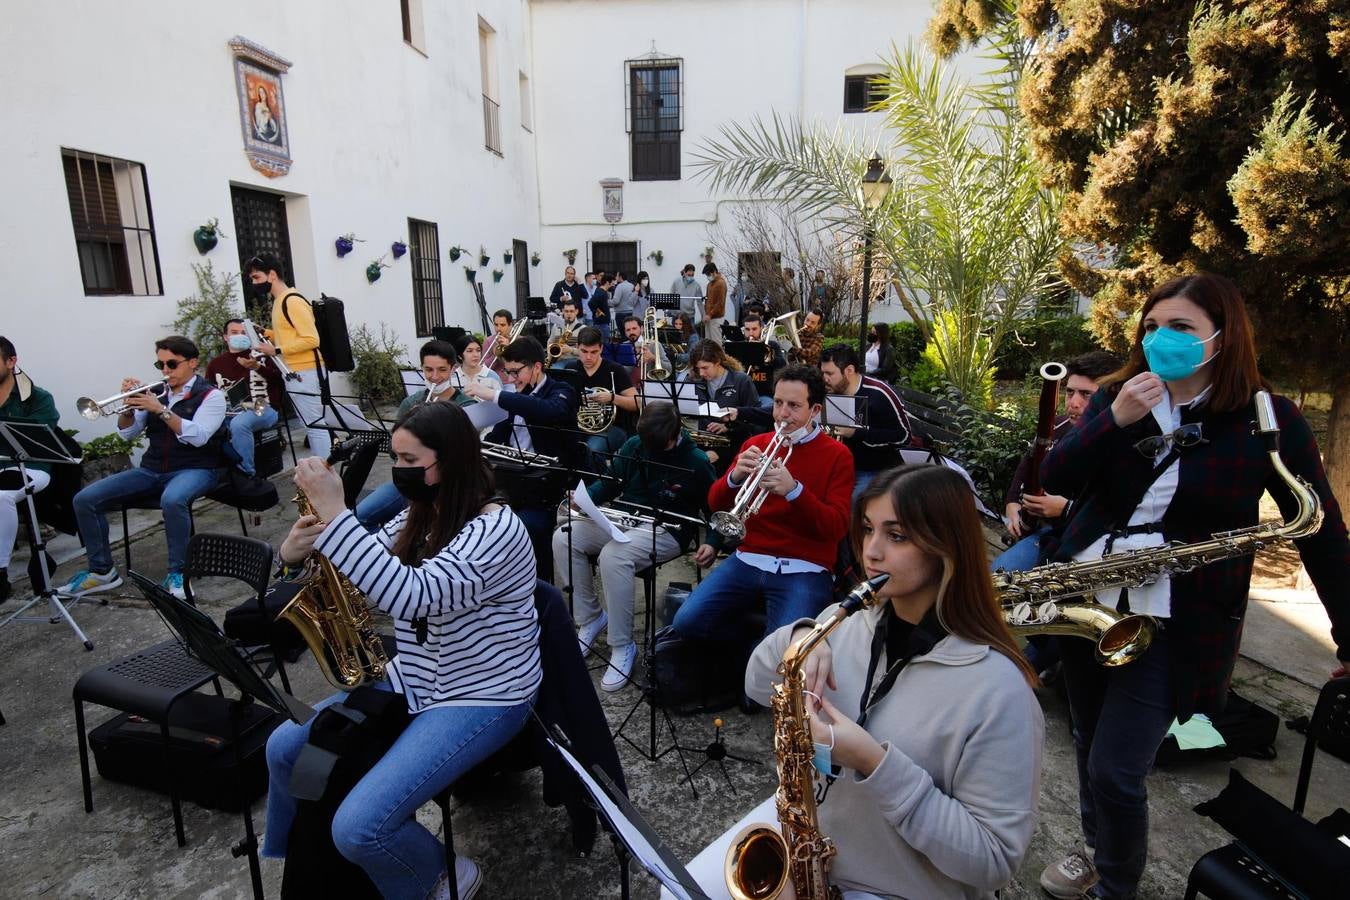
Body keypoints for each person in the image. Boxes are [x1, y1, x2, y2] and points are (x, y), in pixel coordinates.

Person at [1036, 273, 1350, 900]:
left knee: (1117, 768)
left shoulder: (1269, 418)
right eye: (1151, 326)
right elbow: (1060, 474)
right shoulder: (1119, 397)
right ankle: (1099, 849)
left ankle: (1115, 885)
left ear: (1223, 338)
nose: (1160, 339)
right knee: (1087, 738)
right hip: (1087, 596)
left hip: (1182, 614)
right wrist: (1113, 421)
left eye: (1180, 327)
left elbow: (1322, 530)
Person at [679, 464, 1044, 899]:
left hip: (898, 883)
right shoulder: (850, 622)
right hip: (811, 835)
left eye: (897, 535)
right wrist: (797, 637)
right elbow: (757, 686)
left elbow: (993, 862)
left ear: (947, 547)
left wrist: (875, 763)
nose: (870, 552)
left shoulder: (1001, 692)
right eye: (868, 529)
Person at [263, 402, 540, 900]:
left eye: (411, 461)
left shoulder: (497, 530)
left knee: (359, 828)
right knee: (283, 746)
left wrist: (336, 511)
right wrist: (296, 553)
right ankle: (303, 861)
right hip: (415, 675)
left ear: (451, 461)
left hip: (481, 696)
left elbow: (411, 595)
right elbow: (362, 571)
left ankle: (439, 876)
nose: (400, 471)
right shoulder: (426, 513)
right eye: (396, 458)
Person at [672, 365, 854, 643]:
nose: (782, 414)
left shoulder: (838, 455)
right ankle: (755, 653)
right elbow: (714, 502)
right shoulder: (755, 443)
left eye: (794, 406)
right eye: (778, 402)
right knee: (685, 622)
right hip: (749, 557)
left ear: (815, 410)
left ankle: (765, 657)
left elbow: (836, 528)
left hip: (805, 566)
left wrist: (794, 491)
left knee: (787, 649)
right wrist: (734, 477)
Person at [553, 402, 714, 690]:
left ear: (673, 436)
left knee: (614, 557)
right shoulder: (636, 443)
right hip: (627, 517)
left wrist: (714, 542)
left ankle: (622, 644)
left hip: (668, 528)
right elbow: (613, 482)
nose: (647, 448)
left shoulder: (696, 460)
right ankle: (590, 619)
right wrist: (585, 498)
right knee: (564, 536)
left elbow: (714, 508)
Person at [63, 336, 226, 600]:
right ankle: (102, 572)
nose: (165, 371)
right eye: (160, 364)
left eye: (171, 364)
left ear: (193, 363)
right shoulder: (157, 391)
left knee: (173, 500)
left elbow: (198, 437)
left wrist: (160, 410)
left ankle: (178, 573)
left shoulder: (211, 396)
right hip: (151, 469)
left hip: (195, 468)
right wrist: (129, 408)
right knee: (84, 499)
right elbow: (127, 434)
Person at [463, 336, 581, 580]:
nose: (510, 379)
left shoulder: (562, 391)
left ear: (537, 367)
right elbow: (498, 437)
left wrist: (495, 396)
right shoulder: (514, 396)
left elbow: (548, 411)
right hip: (513, 482)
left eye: (516, 372)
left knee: (529, 526)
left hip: (549, 488)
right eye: (507, 372)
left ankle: (540, 586)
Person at [996, 351, 1121, 571]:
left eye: (1086, 394)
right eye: (1070, 391)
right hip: (1046, 534)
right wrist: (1013, 505)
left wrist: (1066, 509)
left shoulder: (1122, 438)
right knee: (998, 576)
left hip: (1090, 540)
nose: (1073, 403)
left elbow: (1119, 509)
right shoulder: (1057, 426)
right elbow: (1025, 470)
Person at [355, 340, 475, 531]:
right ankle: (388, 554)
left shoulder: (466, 406)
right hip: (409, 481)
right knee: (359, 518)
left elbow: (464, 455)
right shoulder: (410, 402)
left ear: (453, 369)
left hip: (447, 487)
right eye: (429, 370)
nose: (435, 377)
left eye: (442, 370)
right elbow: (393, 452)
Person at [245, 254, 331, 459]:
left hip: (306, 371)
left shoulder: (291, 301)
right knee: (312, 424)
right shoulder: (281, 301)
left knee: (315, 426)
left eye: (257, 277)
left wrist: (276, 350)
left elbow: (311, 339)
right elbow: (289, 334)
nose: (254, 283)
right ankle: (324, 471)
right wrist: (266, 333)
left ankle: (327, 474)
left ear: (272, 275)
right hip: (297, 371)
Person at [0, 337, 58, 603]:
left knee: (1, 496)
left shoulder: (37, 397)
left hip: (31, 467)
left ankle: (0, 574)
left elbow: (42, 441)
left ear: (11, 362)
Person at [818, 343, 912, 499]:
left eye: (829, 373)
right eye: (822, 373)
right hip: (839, 464)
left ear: (849, 371)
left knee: (853, 504)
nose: (824, 379)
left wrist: (857, 432)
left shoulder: (879, 393)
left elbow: (904, 436)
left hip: (873, 469)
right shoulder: (830, 390)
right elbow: (829, 430)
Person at [206, 319, 284, 477]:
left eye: (243, 333)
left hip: (262, 405)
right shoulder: (216, 364)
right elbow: (208, 390)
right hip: (229, 409)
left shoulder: (262, 356)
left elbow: (281, 380)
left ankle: (246, 473)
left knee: (239, 424)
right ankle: (213, 473)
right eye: (234, 333)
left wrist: (257, 368)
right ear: (225, 337)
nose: (239, 336)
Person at [567, 326, 639, 467]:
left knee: (591, 450)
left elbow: (637, 403)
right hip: (579, 426)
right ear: (577, 347)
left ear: (601, 348)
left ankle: (600, 485)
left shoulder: (615, 369)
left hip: (613, 428)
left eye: (594, 352)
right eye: (584, 351)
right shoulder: (571, 368)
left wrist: (612, 398)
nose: (588, 357)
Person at [684, 341, 762, 470]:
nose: (701, 373)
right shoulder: (693, 380)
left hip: (733, 444)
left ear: (718, 362)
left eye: (705, 367)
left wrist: (728, 426)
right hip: (701, 443)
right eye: (697, 368)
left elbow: (755, 420)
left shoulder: (741, 381)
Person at [741, 314, 787, 407]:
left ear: (761, 328)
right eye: (747, 329)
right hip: (744, 394)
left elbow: (782, 365)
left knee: (767, 410)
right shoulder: (740, 346)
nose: (750, 333)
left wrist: (765, 352)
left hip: (764, 394)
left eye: (754, 329)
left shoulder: (771, 345)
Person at [481, 309, 517, 375]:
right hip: (493, 381)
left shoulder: (519, 340)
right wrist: (495, 355)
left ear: (510, 325)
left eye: (502, 325)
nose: (498, 329)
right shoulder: (488, 341)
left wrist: (509, 349)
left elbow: (520, 365)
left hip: (512, 382)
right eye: (496, 325)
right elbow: (483, 368)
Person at [549, 298, 583, 364]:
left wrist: (571, 350)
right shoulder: (556, 327)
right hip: (558, 361)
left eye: (571, 311)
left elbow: (586, 352)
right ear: (563, 311)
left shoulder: (582, 329)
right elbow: (550, 343)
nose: (569, 314)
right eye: (566, 311)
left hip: (575, 361)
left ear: (576, 311)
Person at [701, 262, 727, 345]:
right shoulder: (710, 284)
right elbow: (707, 300)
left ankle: (719, 358)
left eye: (708, 274)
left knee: (716, 343)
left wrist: (710, 314)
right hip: (709, 317)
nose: (708, 276)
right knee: (708, 343)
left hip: (716, 317)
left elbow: (720, 303)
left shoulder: (720, 283)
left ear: (714, 272)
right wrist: (706, 314)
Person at [588, 273, 613, 341]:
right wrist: (599, 311)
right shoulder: (601, 293)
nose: (612, 285)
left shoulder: (600, 291)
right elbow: (591, 303)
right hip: (601, 324)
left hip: (601, 323)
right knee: (604, 345)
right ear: (607, 282)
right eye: (612, 283)